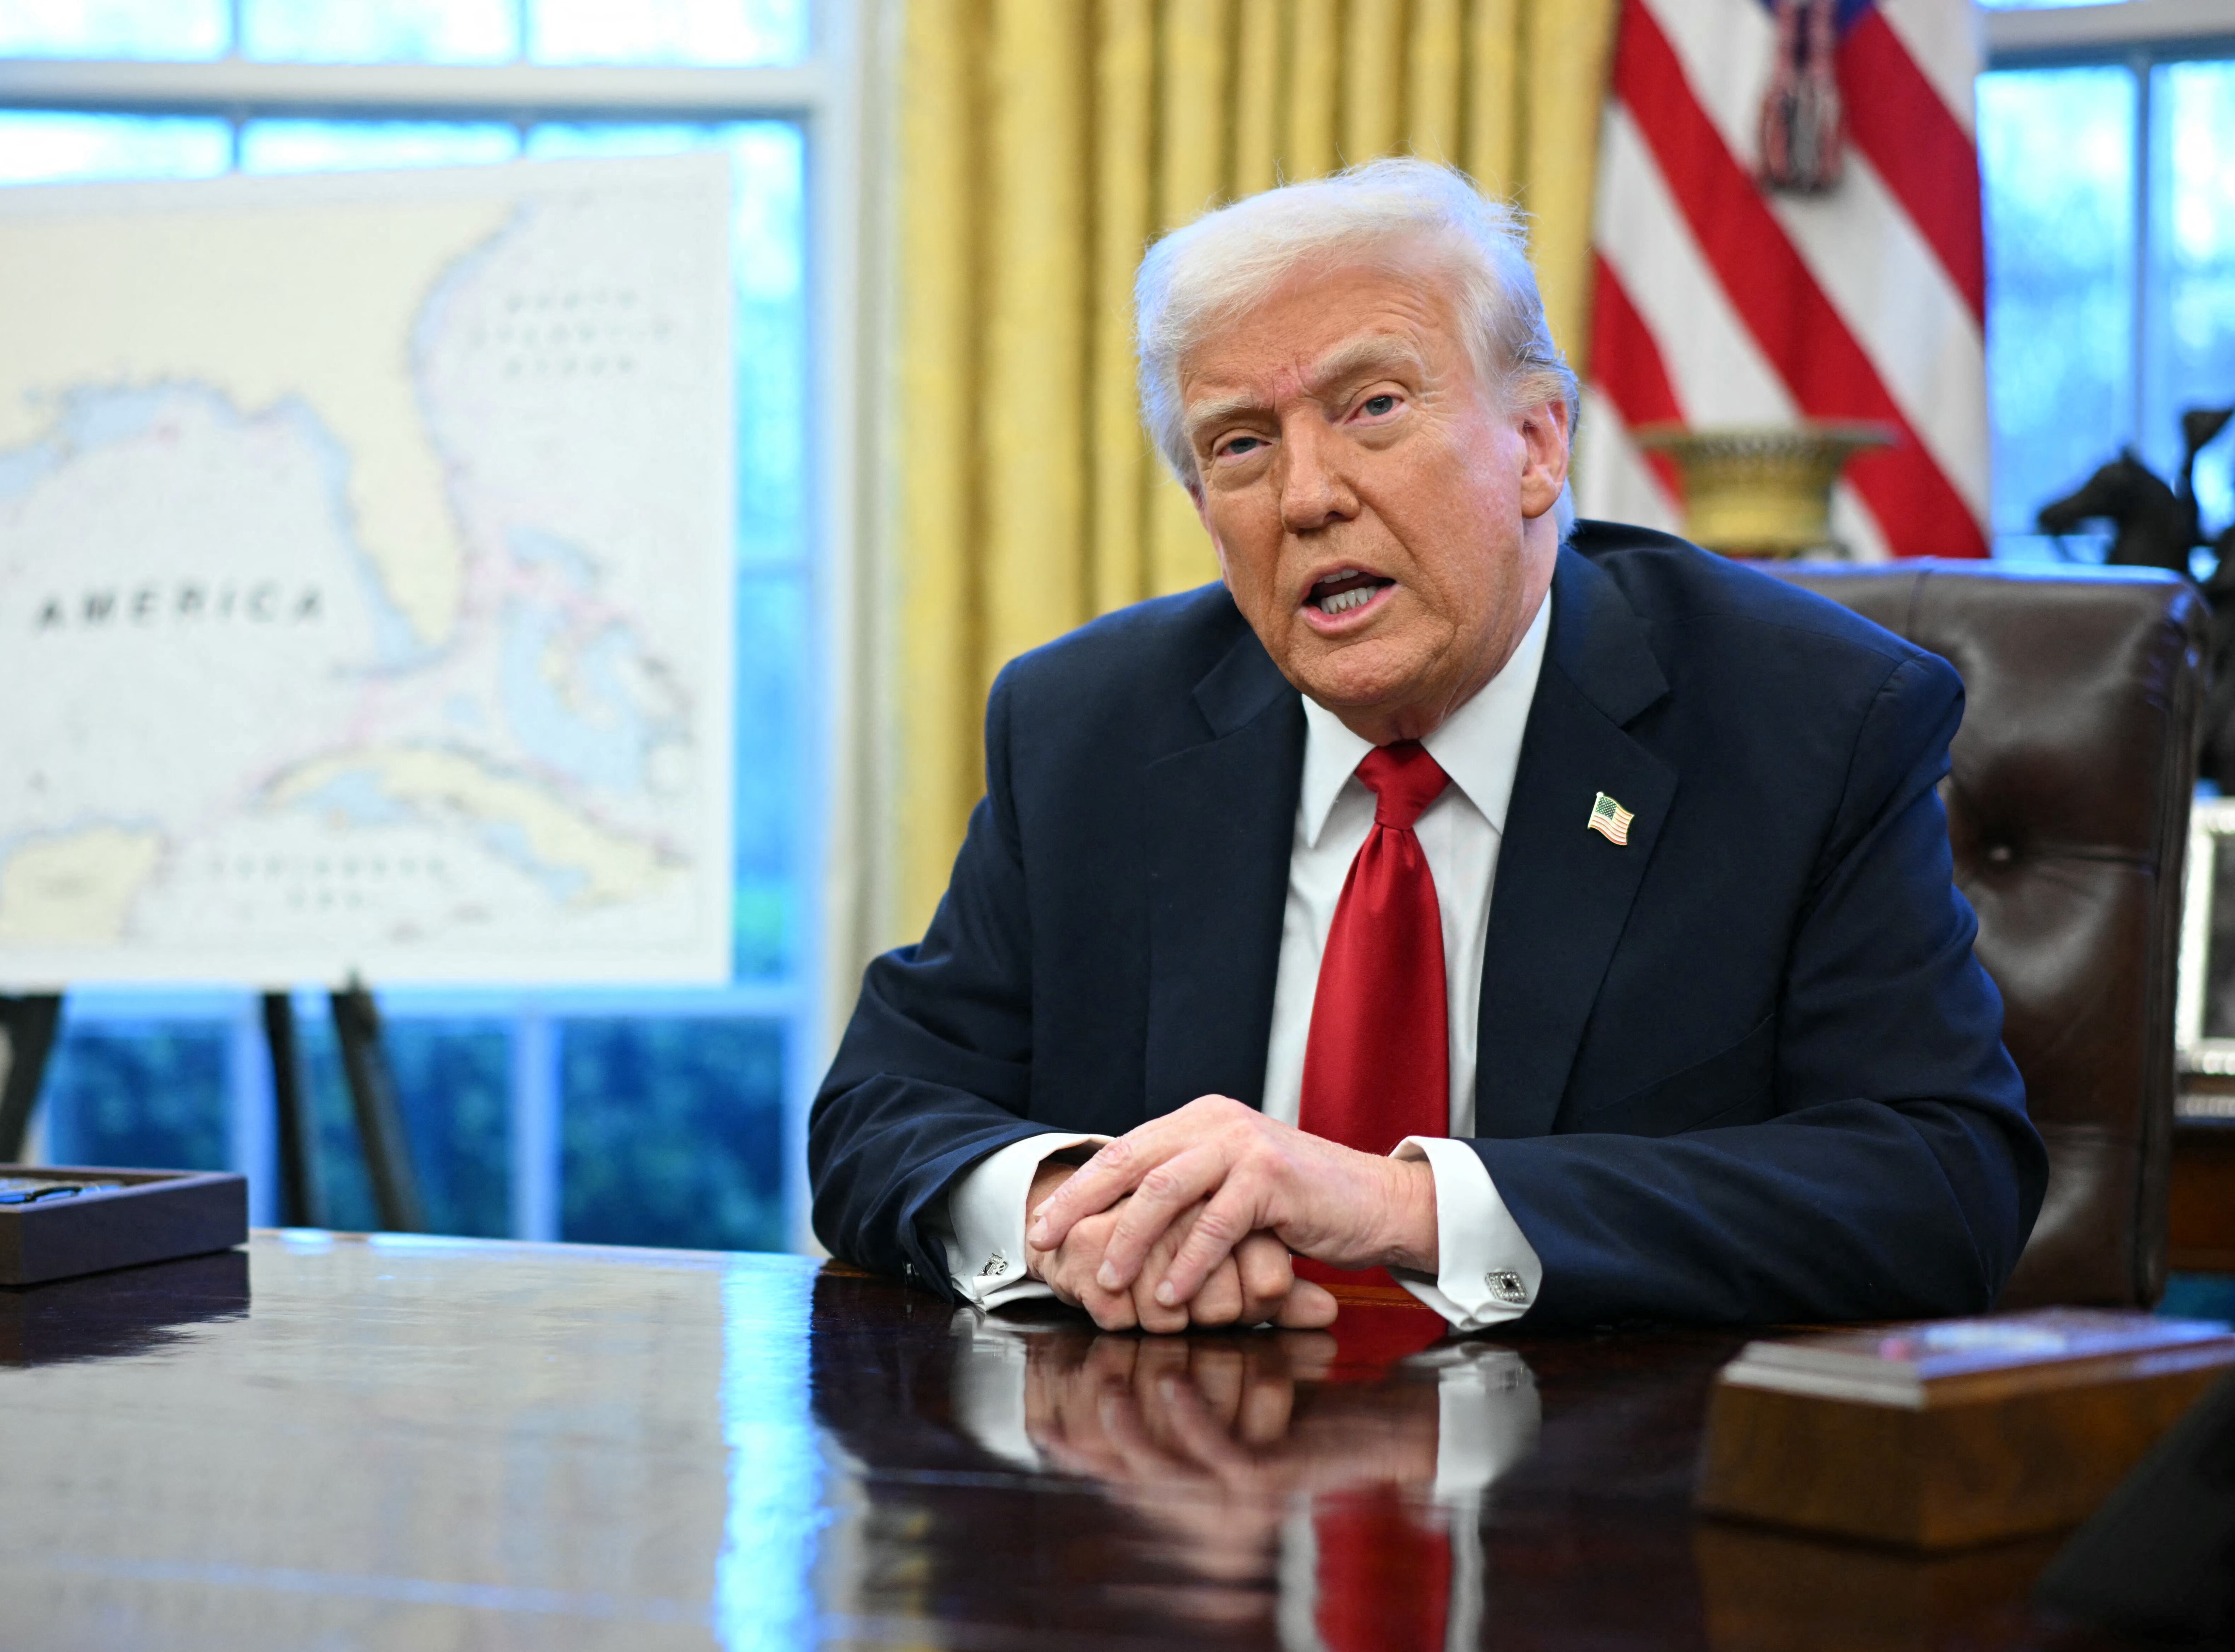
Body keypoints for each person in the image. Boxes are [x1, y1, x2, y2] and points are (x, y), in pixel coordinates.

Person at [810, 158, 2044, 1336]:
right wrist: (1066, 1211)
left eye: (1373, 408)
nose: (1305, 495)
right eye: (1239, 444)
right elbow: (877, 1113)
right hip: (1191, 1502)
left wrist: (1399, 1207)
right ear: (1202, 508)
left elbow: (1941, 1182)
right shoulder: (1086, 728)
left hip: (1607, 1505)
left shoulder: (1810, 723)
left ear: (1537, 445)